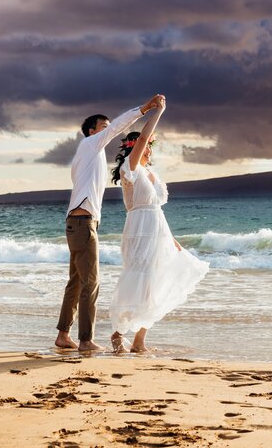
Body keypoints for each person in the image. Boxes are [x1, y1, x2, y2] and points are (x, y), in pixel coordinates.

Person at [55, 94, 164, 352]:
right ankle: (85, 340)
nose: (109, 131)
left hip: (78, 222)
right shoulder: (90, 145)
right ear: (92, 132)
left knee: (76, 281)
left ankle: (63, 335)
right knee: (90, 282)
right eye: (103, 128)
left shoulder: (90, 156)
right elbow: (119, 127)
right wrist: (144, 109)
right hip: (82, 223)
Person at [109, 96, 209, 353]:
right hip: (139, 227)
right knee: (138, 279)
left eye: (150, 146)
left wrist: (171, 239)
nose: (148, 148)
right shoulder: (129, 170)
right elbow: (142, 139)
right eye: (145, 145)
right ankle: (118, 333)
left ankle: (140, 340)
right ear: (133, 147)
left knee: (156, 282)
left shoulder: (152, 174)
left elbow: (158, 210)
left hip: (158, 229)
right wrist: (158, 112)